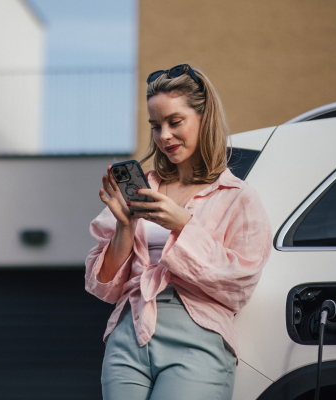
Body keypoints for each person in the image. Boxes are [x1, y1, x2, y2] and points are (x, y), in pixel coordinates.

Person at [85, 64, 272, 400]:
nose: (164, 136)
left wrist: (183, 225)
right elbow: (103, 285)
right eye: (155, 126)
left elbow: (239, 282)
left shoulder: (237, 197)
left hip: (197, 337)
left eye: (174, 122)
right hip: (128, 333)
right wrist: (125, 229)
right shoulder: (143, 190)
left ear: (204, 118)